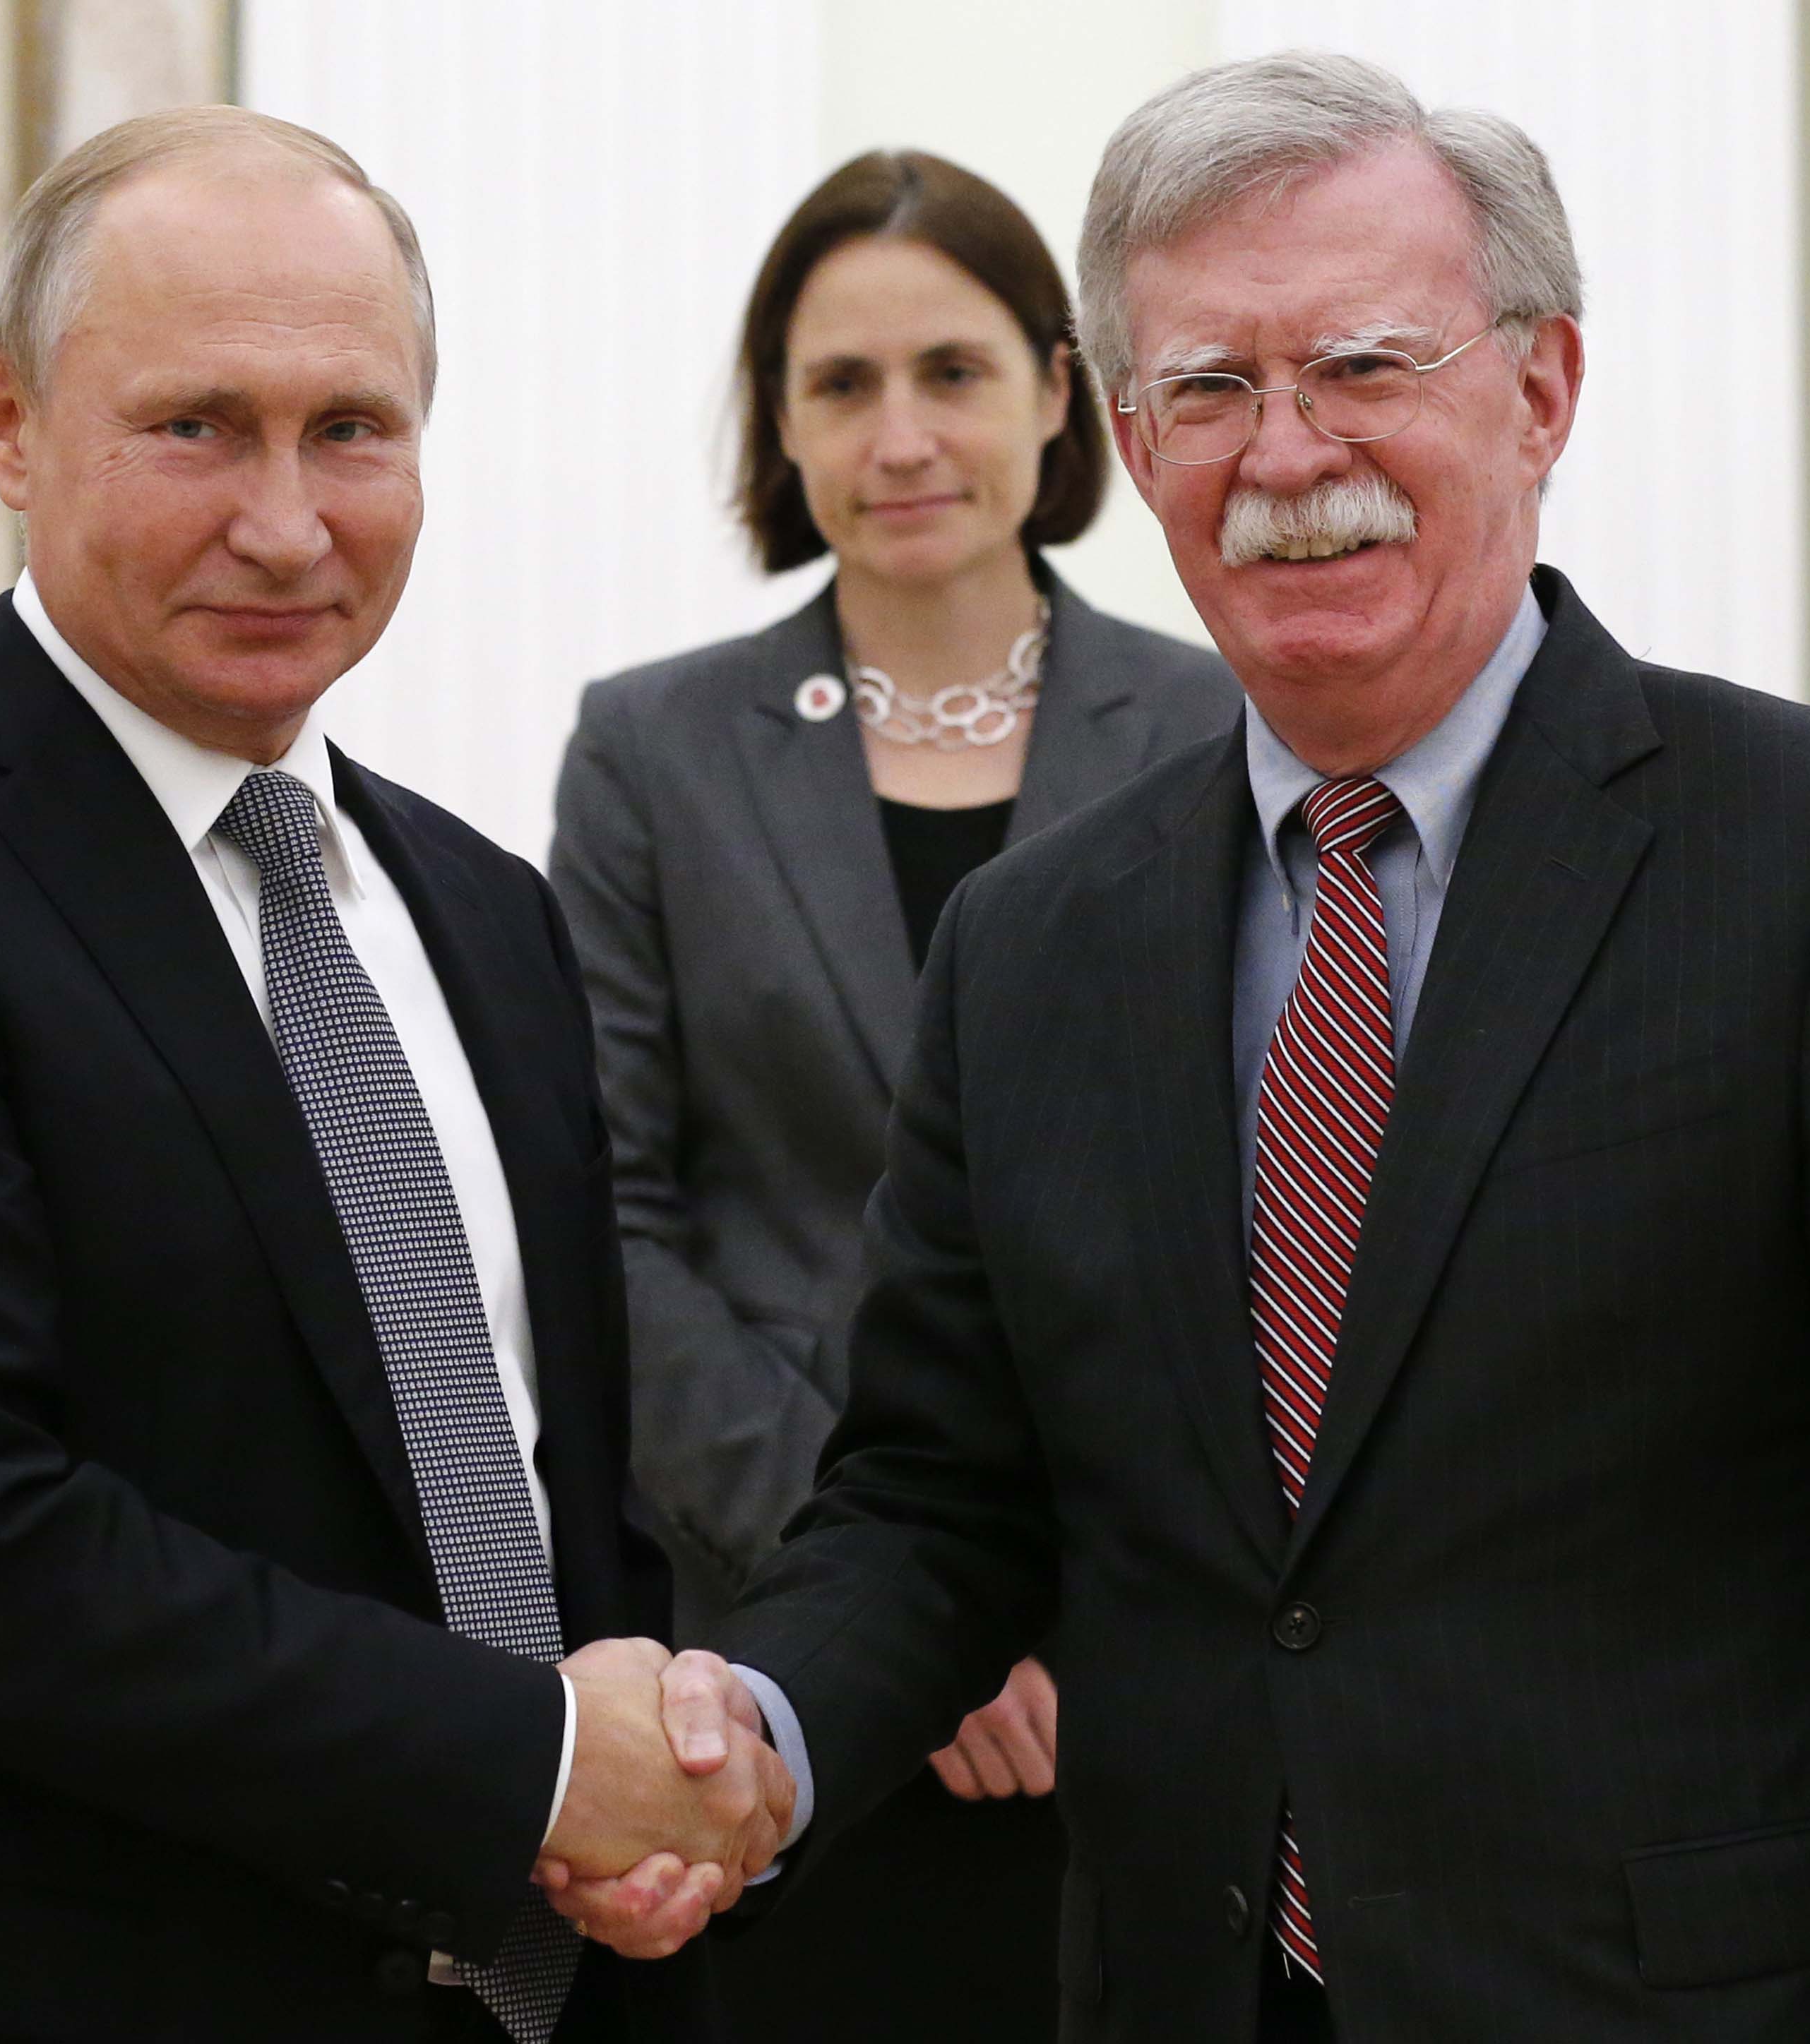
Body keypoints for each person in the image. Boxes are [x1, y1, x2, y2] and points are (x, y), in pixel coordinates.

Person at [566, 51, 1810, 2043]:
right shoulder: (1032, 950)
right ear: (1133, 440)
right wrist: (760, 1733)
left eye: (1361, 362)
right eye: (1210, 389)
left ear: (1540, 389)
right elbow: (932, 1503)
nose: (1284, 451)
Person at [0, 107, 787, 2044]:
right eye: (196, 427)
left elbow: (550, 1478)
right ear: (6, 419)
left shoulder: (484, 912)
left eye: (351, 427)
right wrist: (525, 1764)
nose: (285, 520)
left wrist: (637, 1778)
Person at [547, 150, 1235, 2039]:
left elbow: (1274, 1219)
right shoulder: (649, 748)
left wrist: (1054, 1618)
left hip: (1148, 1659)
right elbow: (605, 1220)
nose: (900, 432)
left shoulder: (1219, 726)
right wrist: (895, 1625)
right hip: (777, 1669)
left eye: (950, 370)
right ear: (777, 425)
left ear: (1053, 391)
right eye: (838, 385)